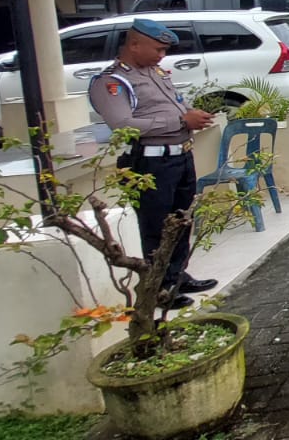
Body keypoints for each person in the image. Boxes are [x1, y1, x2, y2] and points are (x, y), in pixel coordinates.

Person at [88, 18, 218, 310]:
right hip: (150, 162)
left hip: (180, 156)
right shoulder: (112, 81)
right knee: (157, 226)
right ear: (134, 45)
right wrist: (180, 121)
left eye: (164, 50)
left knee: (181, 221)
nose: (162, 55)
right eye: (157, 49)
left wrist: (191, 114)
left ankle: (176, 276)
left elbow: (176, 104)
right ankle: (158, 287)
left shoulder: (155, 73)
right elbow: (122, 124)